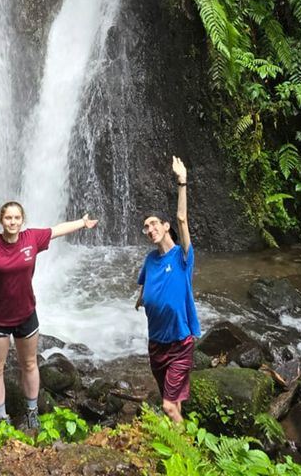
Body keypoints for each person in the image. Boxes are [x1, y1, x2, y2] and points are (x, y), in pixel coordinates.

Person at [0, 202, 98, 431]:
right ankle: (2, 418)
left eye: (17, 218)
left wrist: (82, 222)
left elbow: (56, 230)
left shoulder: (32, 238)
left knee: (30, 364)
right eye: (8, 218)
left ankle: (32, 411)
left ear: (22, 220)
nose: (12, 222)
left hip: (26, 315)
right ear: (1, 220)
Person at [135, 156, 200, 423]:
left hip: (180, 341)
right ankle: (178, 441)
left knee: (167, 406)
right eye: (146, 227)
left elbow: (182, 218)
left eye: (154, 224)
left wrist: (181, 181)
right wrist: (141, 301)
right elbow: (144, 286)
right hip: (156, 343)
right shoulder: (150, 260)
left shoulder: (182, 256)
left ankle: (186, 455)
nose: (150, 229)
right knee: (173, 401)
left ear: (165, 227)